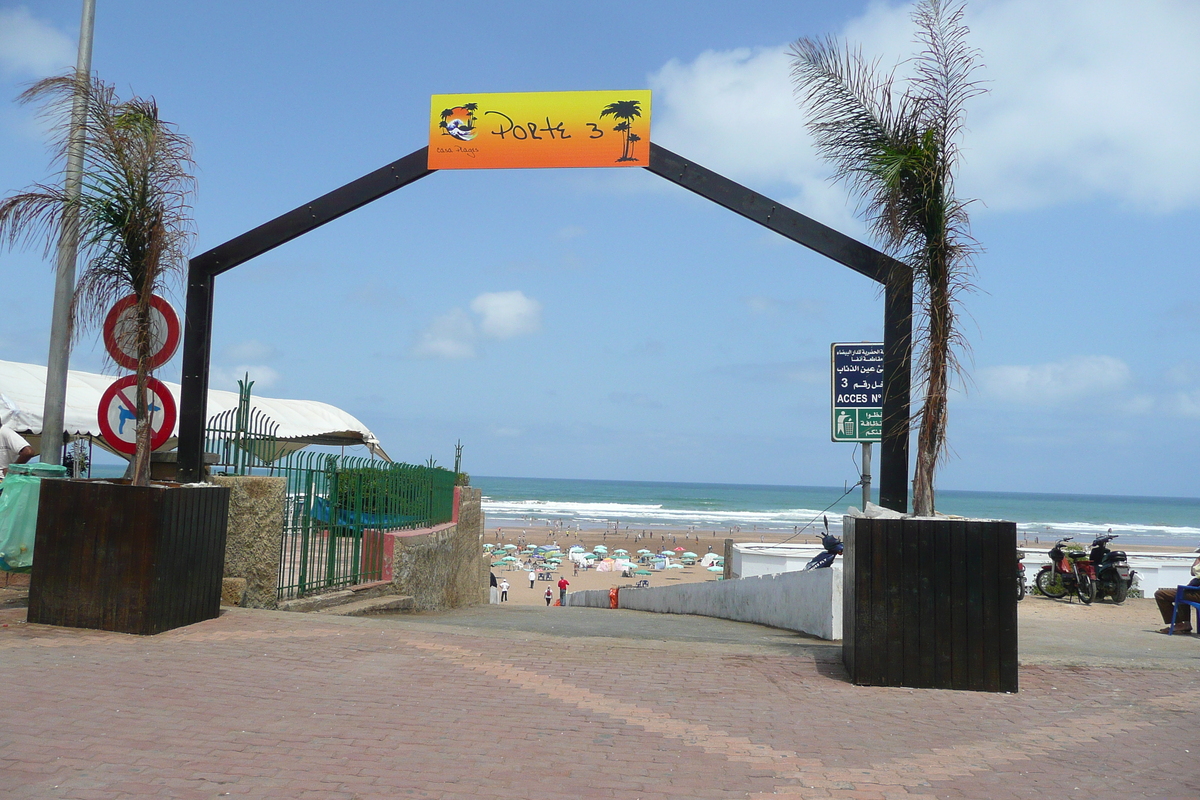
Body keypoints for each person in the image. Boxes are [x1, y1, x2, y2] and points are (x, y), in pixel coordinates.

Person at [1155, 549, 1200, 633]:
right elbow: (1193, 573)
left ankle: (1180, 624)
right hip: (1195, 590)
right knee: (1183, 593)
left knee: (1160, 594)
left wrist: (1198, 558)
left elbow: (1194, 571)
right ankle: (1185, 623)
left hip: (1197, 593)